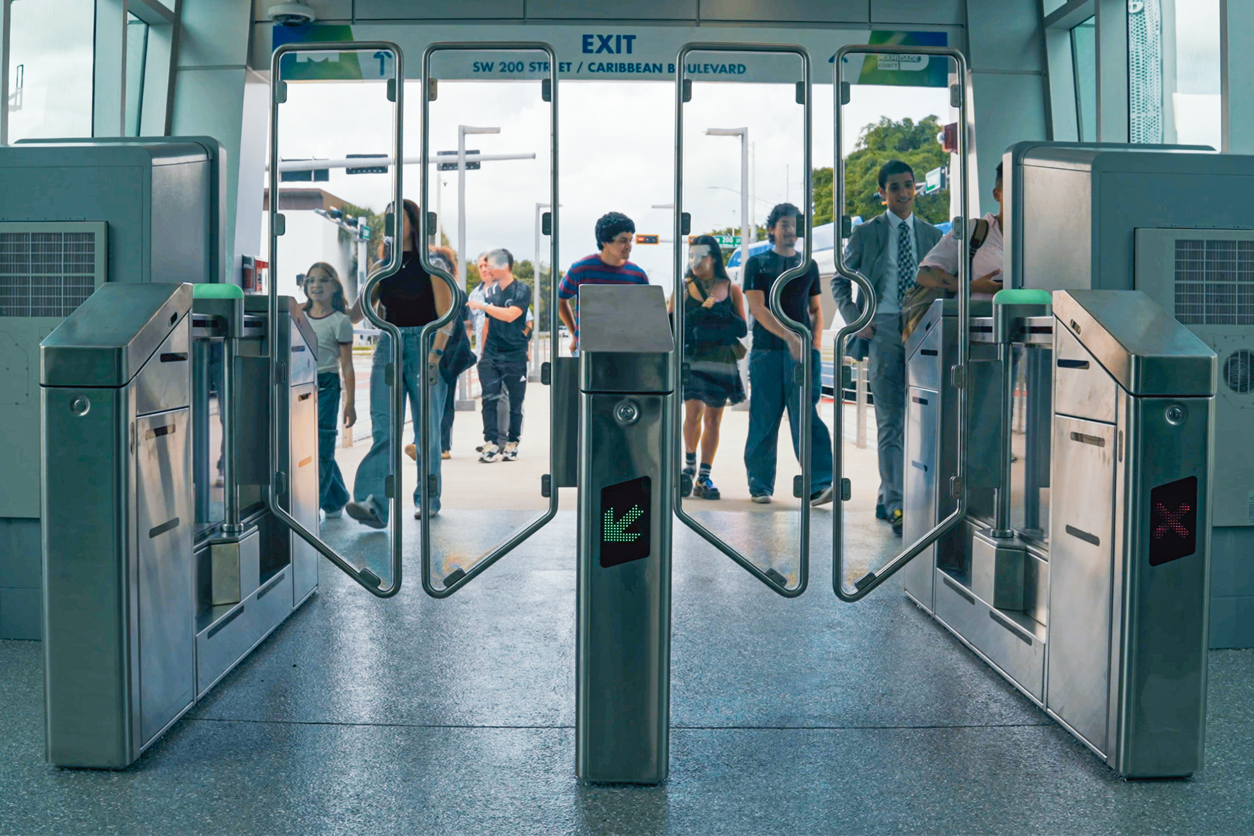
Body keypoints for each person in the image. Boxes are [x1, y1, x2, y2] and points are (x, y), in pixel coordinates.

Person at [834, 160, 944, 536]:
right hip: (880, 327)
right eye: (894, 187)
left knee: (926, 416)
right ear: (882, 193)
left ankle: (896, 495)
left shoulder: (932, 234)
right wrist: (856, 318)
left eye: (908, 185)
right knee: (890, 420)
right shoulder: (866, 233)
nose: (902, 193)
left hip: (922, 330)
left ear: (915, 188)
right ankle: (897, 503)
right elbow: (840, 282)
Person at [344, 199, 458, 525]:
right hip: (389, 345)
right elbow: (356, 312)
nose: (395, 225)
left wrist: (434, 357)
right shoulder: (383, 268)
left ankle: (428, 499)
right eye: (389, 220)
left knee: (426, 433)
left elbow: (445, 319)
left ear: (414, 224)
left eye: (401, 219)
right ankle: (374, 505)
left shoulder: (433, 265)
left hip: (424, 344)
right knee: (384, 430)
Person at [743, 202, 835, 507]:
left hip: (802, 355)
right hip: (767, 353)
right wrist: (789, 337)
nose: (791, 230)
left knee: (806, 417)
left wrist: (813, 347)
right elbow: (758, 308)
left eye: (795, 225)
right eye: (784, 224)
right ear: (772, 229)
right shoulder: (757, 265)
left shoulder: (807, 265)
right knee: (764, 419)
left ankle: (819, 484)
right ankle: (760, 485)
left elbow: (815, 311)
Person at [669, 235, 746, 500]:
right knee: (693, 412)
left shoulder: (730, 288)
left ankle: (704, 474)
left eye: (701, 255)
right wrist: (702, 310)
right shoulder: (681, 289)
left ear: (713, 257)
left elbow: (742, 328)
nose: (695, 261)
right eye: (691, 256)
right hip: (692, 358)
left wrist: (722, 312)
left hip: (721, 359)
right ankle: (688, 466)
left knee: (714, 418)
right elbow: (670, 326)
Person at [297, 263, 356, 520]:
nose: (316, 285)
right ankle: (336, 500)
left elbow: (347, 365)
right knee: (303, 447)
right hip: (298, 385)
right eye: (310, 280)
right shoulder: (296, 315)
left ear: (335, 286)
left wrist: (350, 403)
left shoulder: (340, 321)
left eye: (322, 280)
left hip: (327, 387)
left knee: (322, 447)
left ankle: (312, 509)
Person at [469, 248, 532, 463]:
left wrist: (522, 342)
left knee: (515, 402)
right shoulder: (489, 292)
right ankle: (491, 442)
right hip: (491, 356)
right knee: (489, 399)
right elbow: (487, 322)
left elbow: (512, 315)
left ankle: (512, 443)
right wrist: (483, 354)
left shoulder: (522, 290)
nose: (488, 270)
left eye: (491, 265)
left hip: (515, 356)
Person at [557, 211, 648, 353]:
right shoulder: (581, 269)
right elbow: (560, 300)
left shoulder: (637, 275)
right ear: (605, 242)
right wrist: (575, 332)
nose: (629, 245)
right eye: (623, 240)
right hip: (588, 351)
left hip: (627, 350)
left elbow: (645, 315)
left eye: (631, 240)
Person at [916, 161, 1007, 302]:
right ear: (997, 195)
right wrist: (971, 286)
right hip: (977, 320)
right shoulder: (973, 230)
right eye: (1013, 189)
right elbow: (925, 274)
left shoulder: (1038, 238)